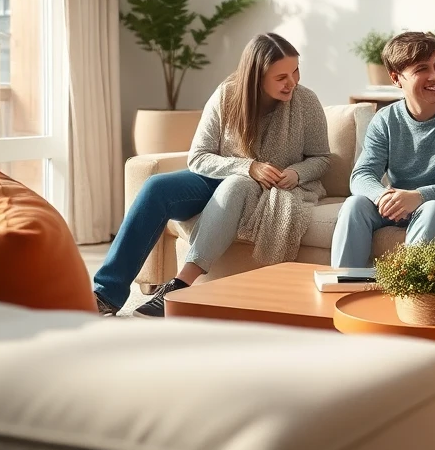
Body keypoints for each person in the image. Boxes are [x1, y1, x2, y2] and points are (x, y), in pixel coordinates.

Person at [93, 33, 330, 316]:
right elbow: (198, 157)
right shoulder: (227, 95)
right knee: (156, 186)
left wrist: (297, 173)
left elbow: (321, 158)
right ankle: (105, 294)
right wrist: (248, 166)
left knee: (235, 185)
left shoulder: (306, 102)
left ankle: (179, 286)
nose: (292, 82)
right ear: (256, 77)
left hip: (264, 187)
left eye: (295, 71)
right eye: (281, 77)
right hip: (219, 176)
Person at [331, 31, 435, 267]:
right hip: (400, 205)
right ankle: (342, 284)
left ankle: (412, 288)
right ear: (396, 79)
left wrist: (419, 196)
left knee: (431, 209)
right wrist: (383, 197)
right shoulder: (385, 120)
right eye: (421, 69)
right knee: (355, 205)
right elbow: (362, 174)